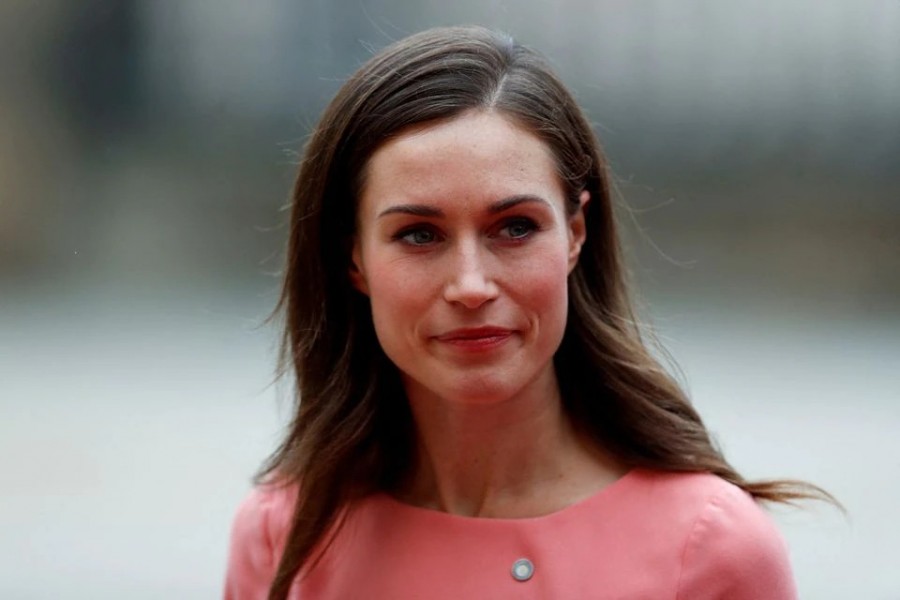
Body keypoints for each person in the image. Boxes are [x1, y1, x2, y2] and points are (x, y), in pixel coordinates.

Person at [224, 25, 832, 599]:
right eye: (418, 235)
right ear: (353, 258)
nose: (470, 284)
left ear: (574, 233)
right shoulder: (283, 535)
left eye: (514, 228)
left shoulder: (712, 547)